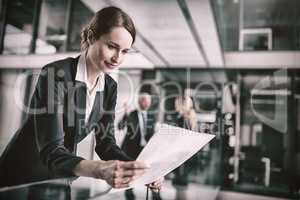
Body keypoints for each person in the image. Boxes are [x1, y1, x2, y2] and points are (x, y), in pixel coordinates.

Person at [0, 6, 162, 191]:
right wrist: (98, 169)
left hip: (61, 177)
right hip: (22, 177)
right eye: (112, 47)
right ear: (92, 37)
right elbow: (52, 149)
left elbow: (106, 143)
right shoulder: (56, 74)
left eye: (125, 51)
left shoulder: (109, 86)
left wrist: (136, 168)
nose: (117, 58)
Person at [118, 93, 161, 199]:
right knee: (130, 173)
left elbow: (154, 132)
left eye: (148, 101)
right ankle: (129, 195)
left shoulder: (152, 116)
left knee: (152, 172)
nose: (146, 103)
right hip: (132, 149)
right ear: (139, 101)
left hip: (146, 149)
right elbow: (120, 126)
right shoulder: (131, 114)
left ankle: (156, 195)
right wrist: (125, 114)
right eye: (144, 100)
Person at [172, 95, 198, 200]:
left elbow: (181, 138)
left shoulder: (184, 118)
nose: (175, 105)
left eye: (177, 103)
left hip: (182, 157)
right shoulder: (187, 117)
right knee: (180, 187)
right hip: (184, 157)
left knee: (180, 186)